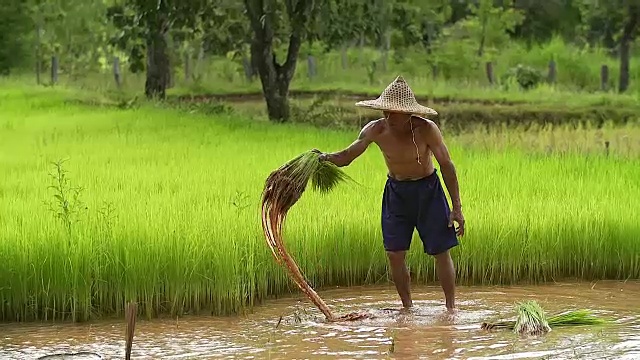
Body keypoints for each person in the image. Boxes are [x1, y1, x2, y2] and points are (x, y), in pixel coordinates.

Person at [315, 76, 465, 312]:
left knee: (440, 251)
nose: (388, 116)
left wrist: (457, 207)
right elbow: (347, 156)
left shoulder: (426, 130)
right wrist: (325, 158)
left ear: (407, 113)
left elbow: (446, 164)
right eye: (385, 111)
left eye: (393, 112)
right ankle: (407, 308)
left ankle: (451, 309)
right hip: (396, 193)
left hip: (428, 191)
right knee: (394, 253)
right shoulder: (375, 130)